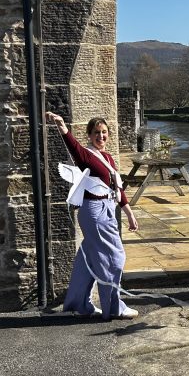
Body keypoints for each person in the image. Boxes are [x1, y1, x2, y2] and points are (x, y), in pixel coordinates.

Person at [45, 111, 140, 319]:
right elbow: (74, 149)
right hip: (95, 212)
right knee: (114, 257)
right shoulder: (87, 155)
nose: (101, 136)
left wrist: (129, 214)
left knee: (87, 258)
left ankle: (79, 304)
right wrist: (63, 127)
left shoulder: (107, 158)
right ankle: (114, 308)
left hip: (105, 209)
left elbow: (117, 189)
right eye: (96, 132)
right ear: (89, 135)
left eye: (104, 132)